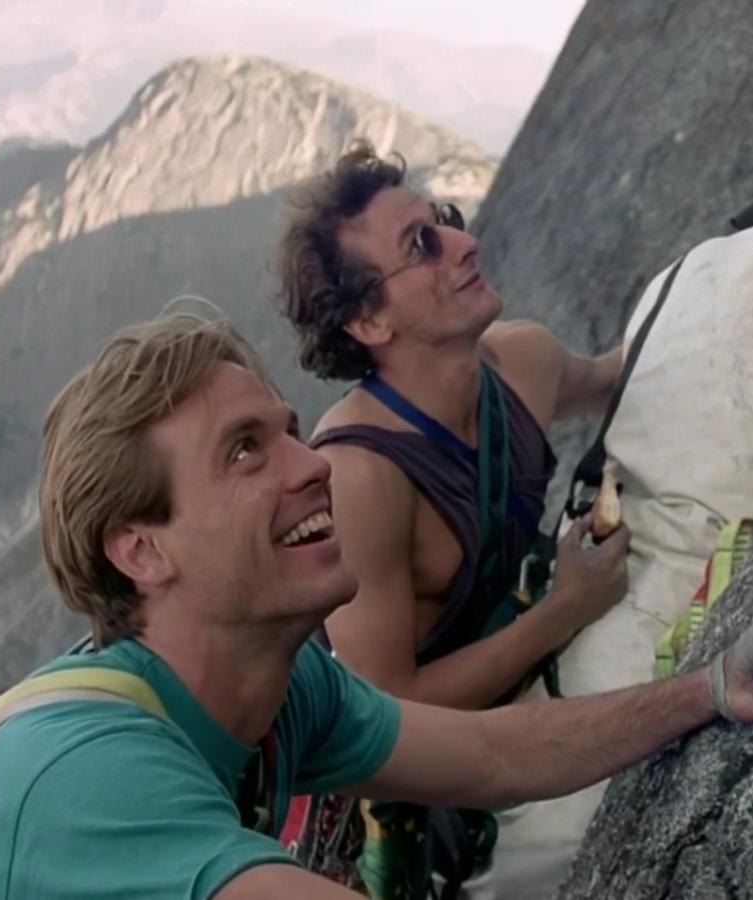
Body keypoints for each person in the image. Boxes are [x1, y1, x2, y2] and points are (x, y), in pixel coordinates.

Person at [0, 312, 753, 899]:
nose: (310, 465)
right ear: (142, 551)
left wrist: (709, 689)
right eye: (245, 451)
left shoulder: (280, 689)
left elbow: (492, 753)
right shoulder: (88, 780)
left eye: (287, 430)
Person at [276, 145, 633, 893]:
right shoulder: (361, 476)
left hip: (524, 692)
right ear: (369, 319)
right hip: (424, 801)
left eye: (444, 219)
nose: (463, 244)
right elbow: (385, 714)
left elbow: (615, 375)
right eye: (421, 245)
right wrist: (565, 609)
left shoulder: (525, 361)